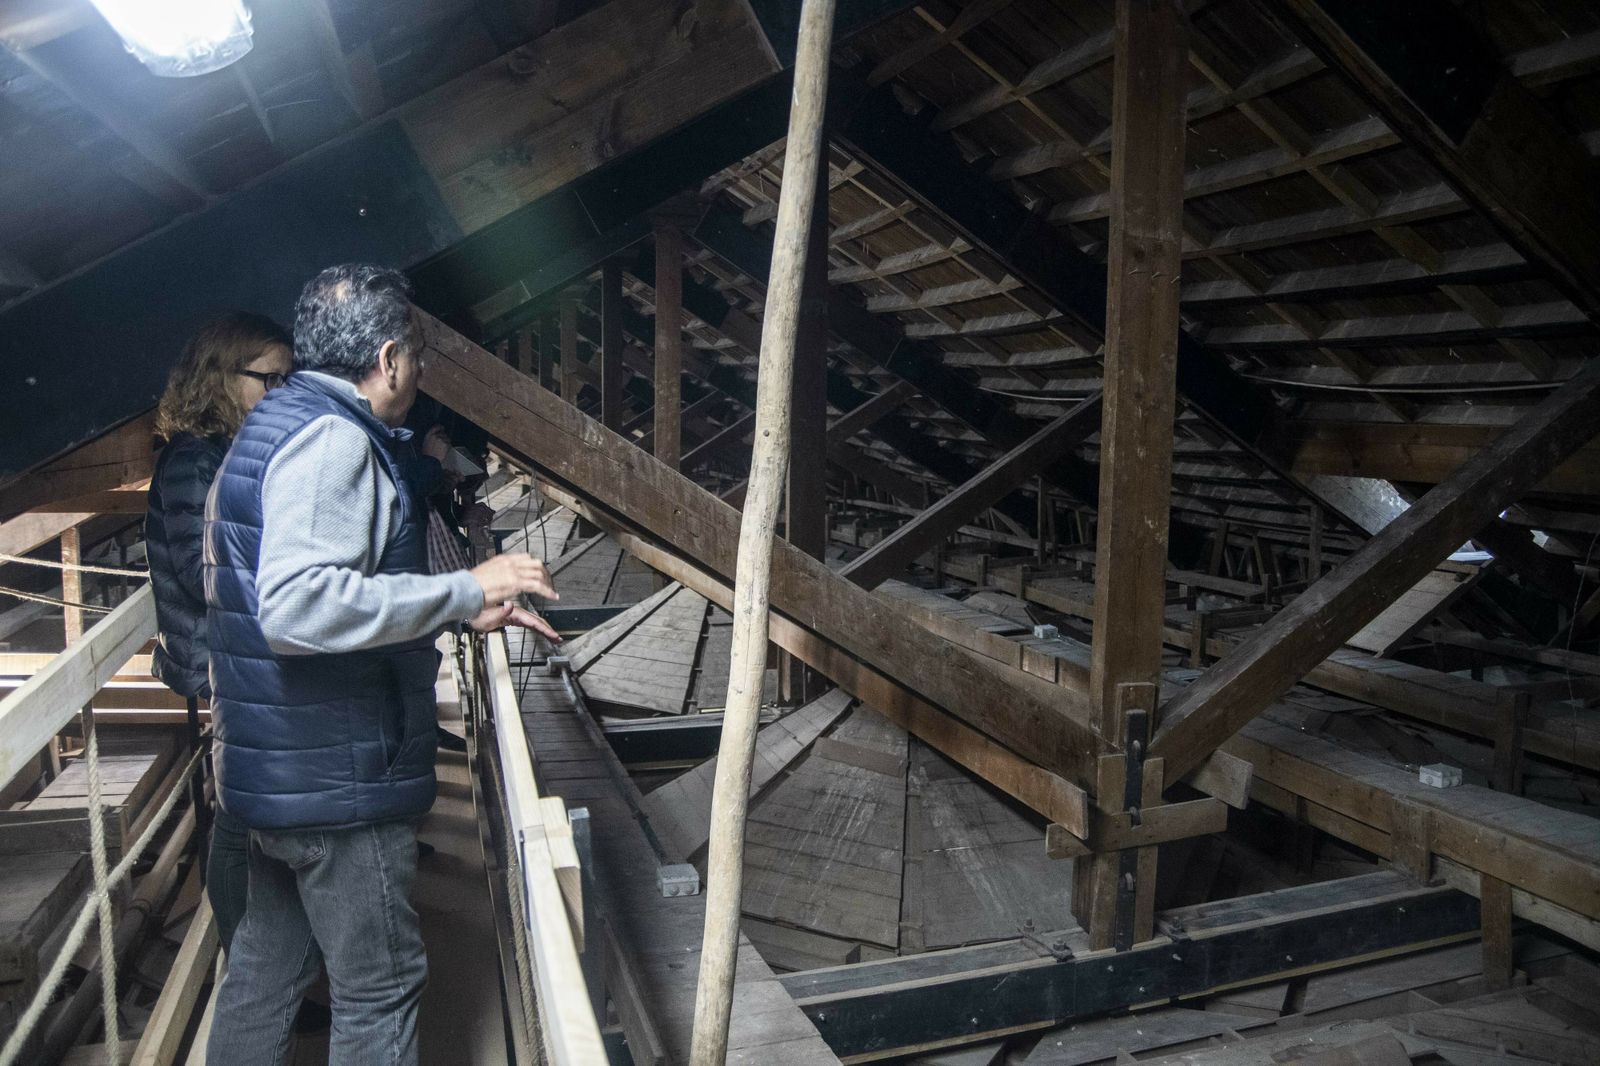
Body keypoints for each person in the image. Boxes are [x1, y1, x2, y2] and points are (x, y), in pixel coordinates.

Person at [203, 263, 560, 1065]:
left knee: (262, 976)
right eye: (420, 355)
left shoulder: (274, 425)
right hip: (340, 787)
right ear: (391, 357)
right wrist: (468, 581)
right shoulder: (333, 441)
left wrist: (457, 608)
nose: (421, 369)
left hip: (277, 774)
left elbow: (313, 586)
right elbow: (298, 607)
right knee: (379, 994)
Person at [144, 311, 292, 956]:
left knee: (249, 811)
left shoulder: (226, 453)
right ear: (221, 378)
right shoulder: (193, 462)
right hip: (220, 660)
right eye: (270, 379)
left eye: (290, 379)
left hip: (236, 651)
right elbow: (202, 570)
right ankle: (245, 958)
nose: (282, 393)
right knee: (237, 819)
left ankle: (266, 956)